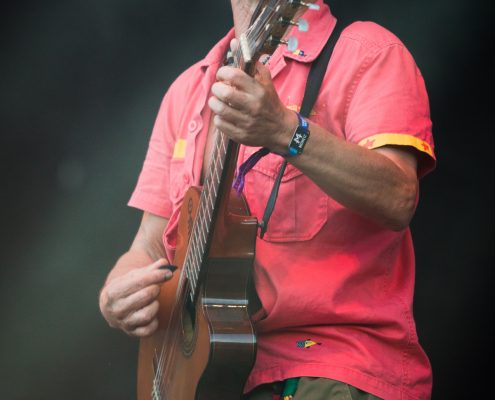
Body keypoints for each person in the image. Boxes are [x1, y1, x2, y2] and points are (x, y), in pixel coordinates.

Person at [99, 0, 436, 399]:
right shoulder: (188, 89)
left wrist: (286, 131)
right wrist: (116, 293)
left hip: (328, 364)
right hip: (211, 377)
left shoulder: (368, 52)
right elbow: (149, 243)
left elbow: (398, 197)